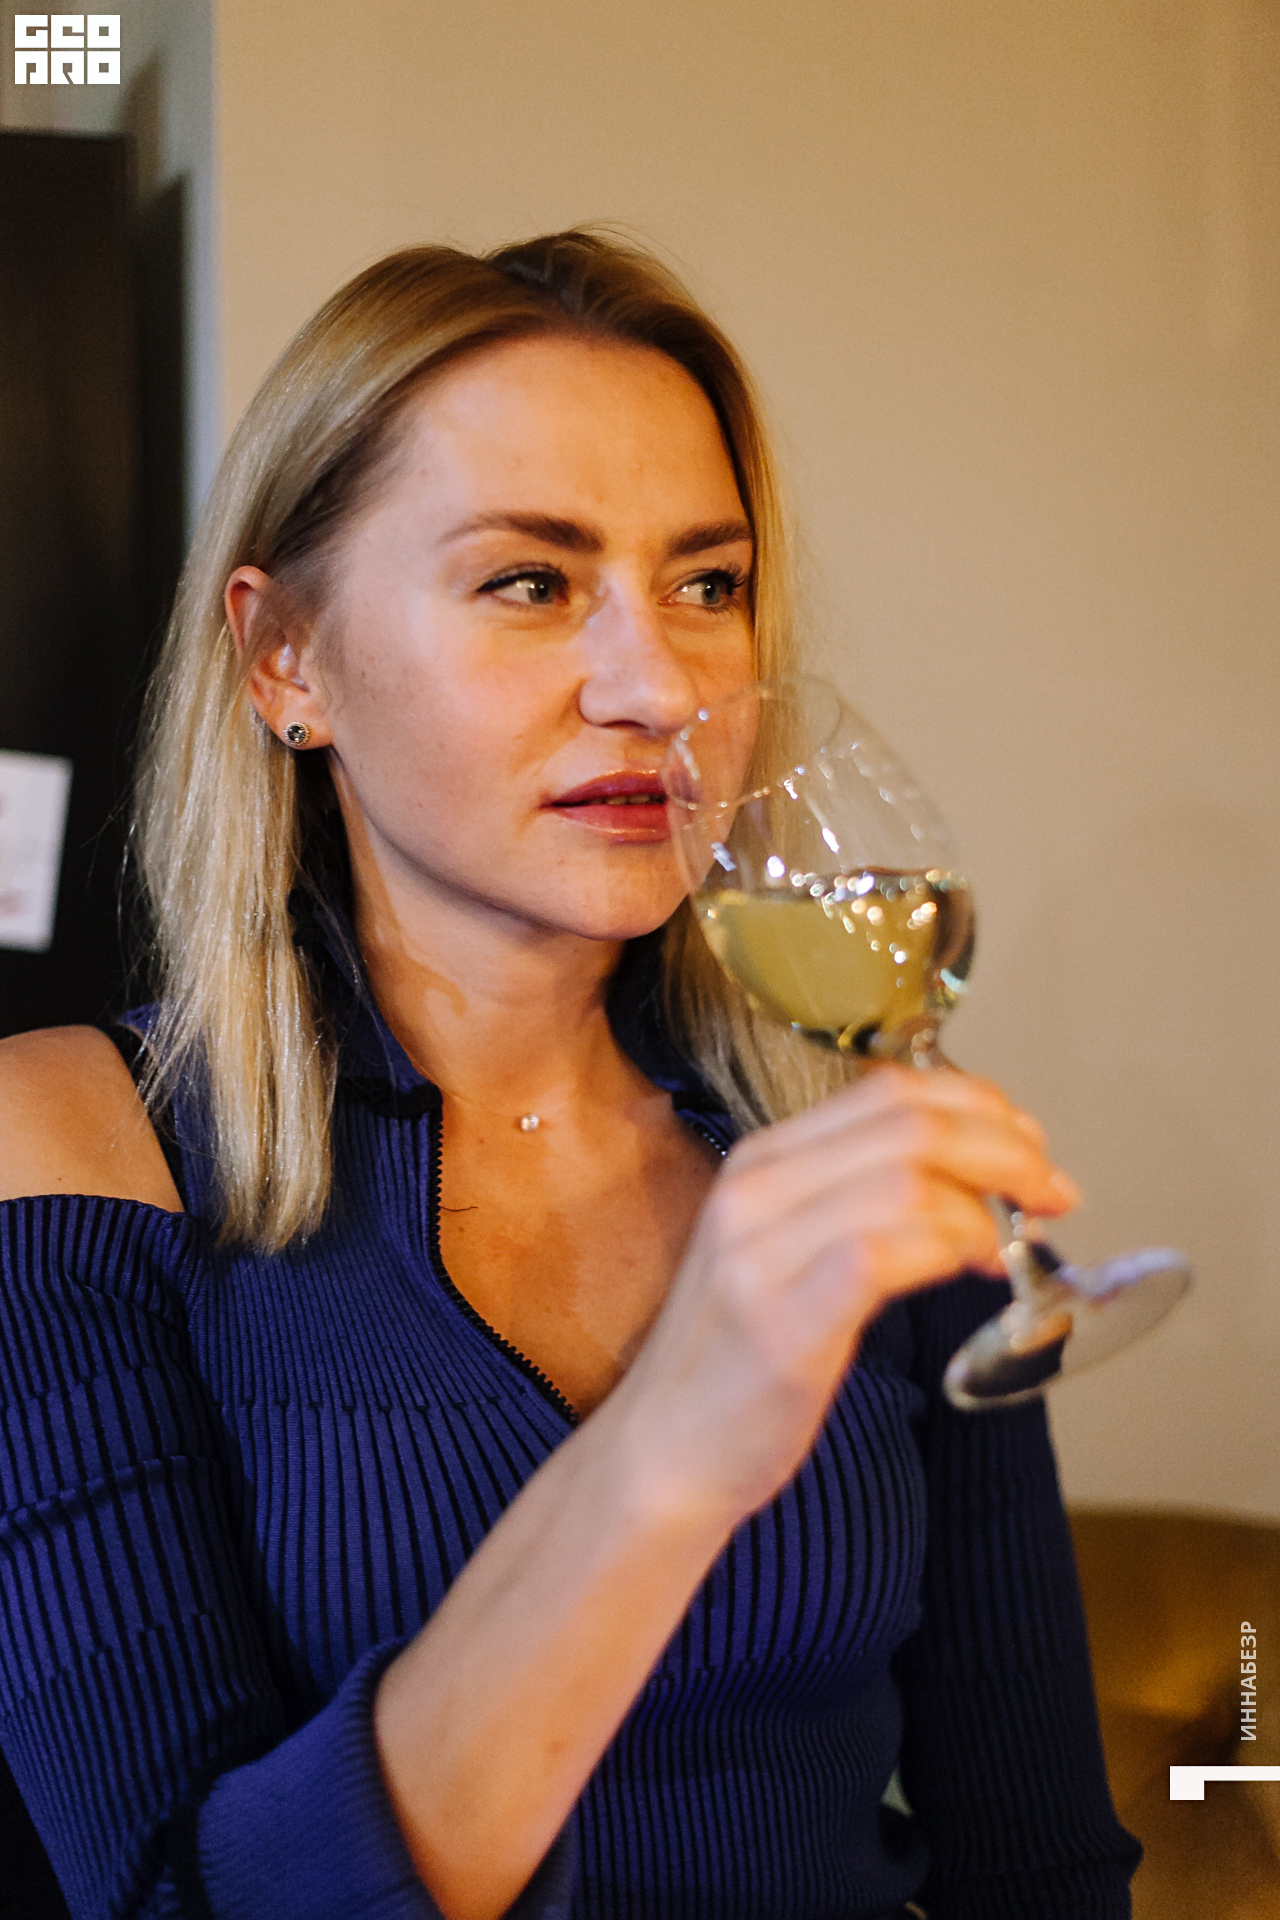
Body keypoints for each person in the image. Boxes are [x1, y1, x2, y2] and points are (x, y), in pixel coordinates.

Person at [0, 231, 1139, 1920]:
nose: (657, 686)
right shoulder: (70, 1141)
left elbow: (1039, 1863)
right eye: (530, 583)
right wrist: (669, 1445)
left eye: (708, 585)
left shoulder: (834, 1139)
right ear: (283, 658)